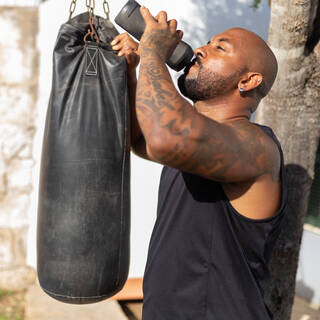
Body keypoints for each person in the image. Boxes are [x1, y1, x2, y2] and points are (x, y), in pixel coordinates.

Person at [111, 6, 286, 320]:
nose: (202, 49)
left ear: (248, 80)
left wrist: (152, 50)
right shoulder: (197, 136)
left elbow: (165, 138)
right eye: (207, 42)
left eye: (220, 47)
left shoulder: (257, 147)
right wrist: (133, 70)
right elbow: (143, 141)